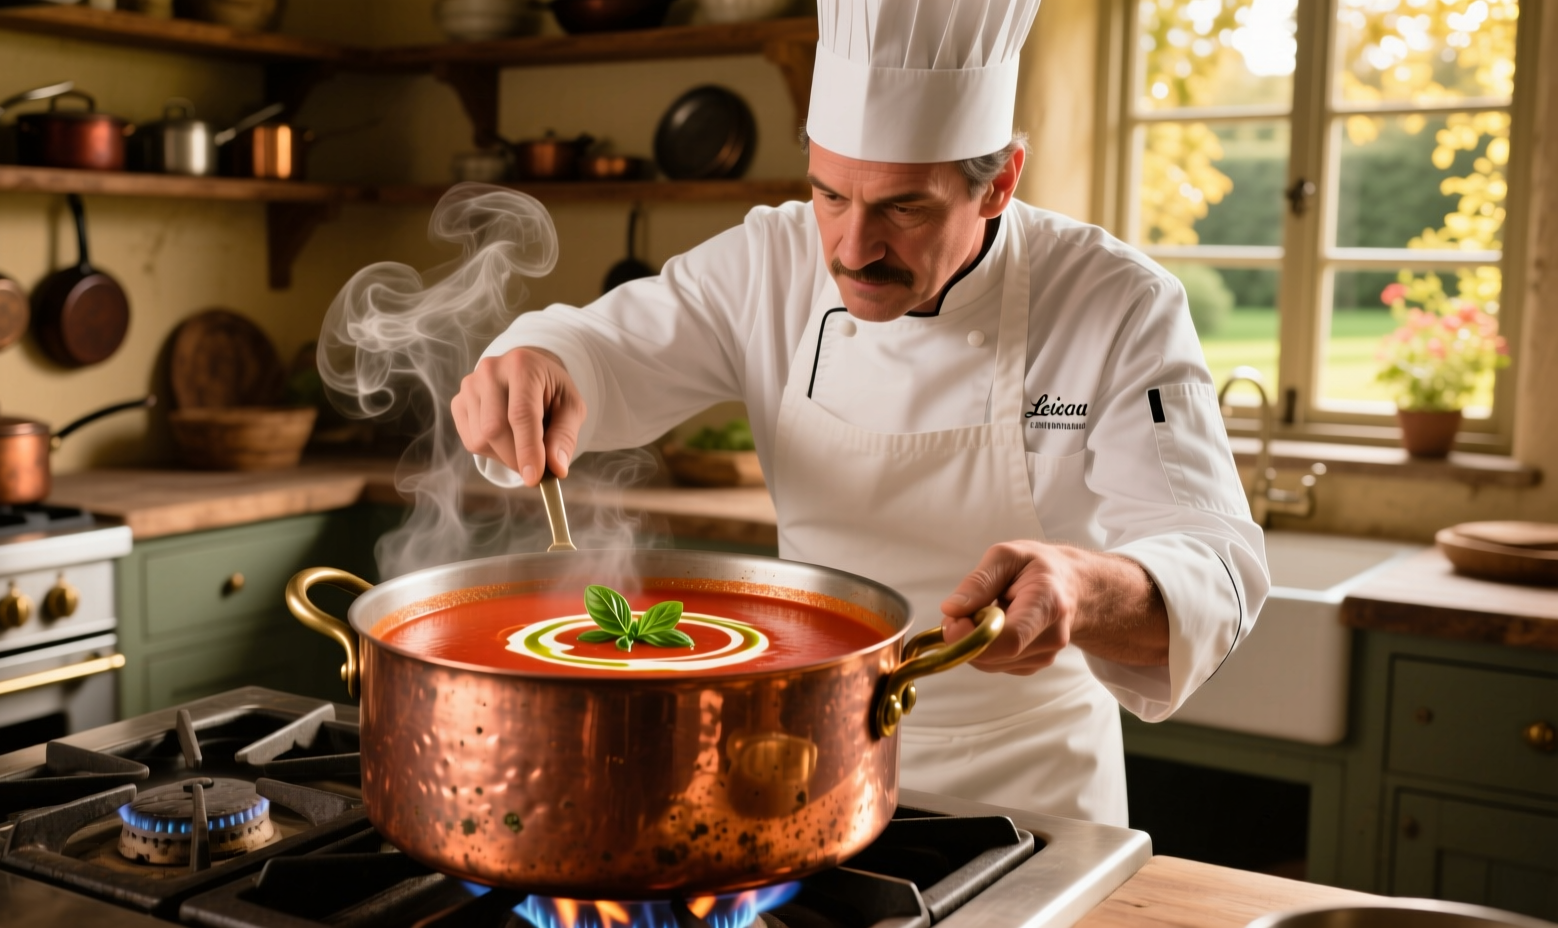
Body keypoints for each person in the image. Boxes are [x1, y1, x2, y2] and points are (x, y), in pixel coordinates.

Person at [451, 0, 1268, 826]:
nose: (851, 248)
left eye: (903, 208)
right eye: (830, 195)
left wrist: (1082, 592)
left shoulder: (1116, 302)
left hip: (1034, 791)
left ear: (999, 184)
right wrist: (540, 362)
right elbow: (602, 346)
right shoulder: (768, 261)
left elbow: (1214, 566)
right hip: (810, 763)